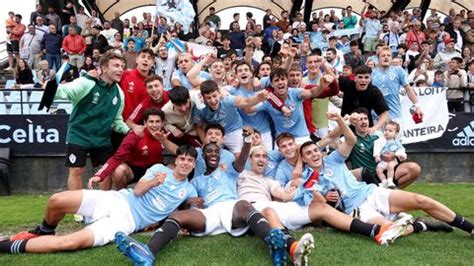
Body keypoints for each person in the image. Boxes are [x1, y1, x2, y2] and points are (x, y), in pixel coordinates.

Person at [114, 128, 315, 266]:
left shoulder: (228, 170)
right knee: (180, 216)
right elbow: (181, 201)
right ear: (202, 156)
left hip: (232, 208)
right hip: (210, 213)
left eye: (215, 152)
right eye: (208, 151)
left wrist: (246, 141)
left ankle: (279, 243)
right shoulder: (196, 182)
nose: (212, 154)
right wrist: (189, 205)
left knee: (244, 204)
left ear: (219, 156)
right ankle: (148, 252)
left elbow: (243, 158)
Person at [298, 117, 474, 239]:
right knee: (388, 231)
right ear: (304, 159)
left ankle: (469, 227)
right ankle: (421, 225)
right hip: (356, 209)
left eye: (315, 150)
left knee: (421, 200)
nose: (314, 154)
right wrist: (326, 198)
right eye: (308, 153)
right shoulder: (307, 180)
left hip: (371, 193)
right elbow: (318, 210)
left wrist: (339, 121)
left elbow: (350, 140)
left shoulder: (332, 160)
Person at [1, 145, 199, 254]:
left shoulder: (190, 189)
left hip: (126, 222)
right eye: (182, 158)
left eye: (190, 160)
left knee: (69, 243)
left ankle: (5, 246)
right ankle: (44, 231)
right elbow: (138, 191)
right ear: (176, 160)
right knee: (56, 200)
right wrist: (153, 183)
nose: (185, 163)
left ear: (193, 165)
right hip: (117, 200)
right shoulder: (159, 169)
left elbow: (190, 211)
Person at [53, 52, 129, 194]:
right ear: (104, 68)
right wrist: (51, 87)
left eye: (122, 67)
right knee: (77, 170)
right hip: (79, 134)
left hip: (102, 138)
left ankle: (101, 206)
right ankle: (77, 209)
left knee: (105, 170)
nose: (121, 70)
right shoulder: (86, 82)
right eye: (116, 66)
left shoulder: (119, 93)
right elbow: (66, 91)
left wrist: (129, 131)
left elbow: (117, 120)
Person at [88, 108, 166, 190]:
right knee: (118, 170)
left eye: (157, 121)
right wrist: (99, 176)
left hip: (156, 169)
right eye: (151, 122)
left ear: (163, 123)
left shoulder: (167, 134)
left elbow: (178, 151)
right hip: (135, 169)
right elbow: (117, 157)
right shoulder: (136, 135)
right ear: (145, 123)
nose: (154, 125)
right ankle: (122, 196)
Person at [193, 80, 269, 156]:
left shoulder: (227, 100)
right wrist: (206, 143)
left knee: (240, 157)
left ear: (219, 93)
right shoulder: (200, 108)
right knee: (207, 155)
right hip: (215, 133)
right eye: (208, 98)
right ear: (203, 98)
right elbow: (198, 126)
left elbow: (245, 101)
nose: (213, 101)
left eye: (214, 96)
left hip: (234, 130)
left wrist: (258, 98)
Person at [348, 108, 420, 189]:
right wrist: (346, 122)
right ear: (353, 123)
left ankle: (394, 190)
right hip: (366, 177)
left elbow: (395, 147)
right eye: (360, 119)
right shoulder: (349, 139)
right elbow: (333, 142)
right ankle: (387, 192)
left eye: (366, 118)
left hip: (385, 171)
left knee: (414, 168)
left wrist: (394, 154)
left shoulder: (379, 135)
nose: (364, 122)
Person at [371, 46, 423, 127]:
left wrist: (417, 106)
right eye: (383, 55)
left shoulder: (398, 70)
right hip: (376, 118)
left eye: (388, 55)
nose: (386, 57)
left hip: (395, 116)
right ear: (378, 58)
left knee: (395, 140)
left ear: (391, 58)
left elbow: (408, 89)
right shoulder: (372, 73)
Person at [374, 121, 406, 189]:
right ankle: (384, 181)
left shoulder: (396, 142)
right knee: (378, 170)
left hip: (392, 160)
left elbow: (401, 149)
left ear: (396, 133)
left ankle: (390, 181)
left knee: (390, 166)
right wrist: (376, 155)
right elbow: (376, 147)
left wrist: (400, 155)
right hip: (383, 161)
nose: (387, 132)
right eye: (385, 130)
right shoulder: (380, 140)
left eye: (390, 131)